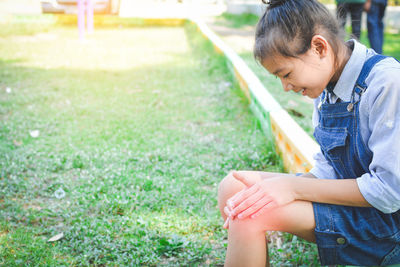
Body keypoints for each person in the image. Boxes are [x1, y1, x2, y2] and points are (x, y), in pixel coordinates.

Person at [217, 0, 400, 265]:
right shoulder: (326, 86)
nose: (285, 87)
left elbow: (389, 192)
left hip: (389, 226)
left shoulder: (387, 83)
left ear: (319, 47)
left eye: (287, 74)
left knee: (250, 214)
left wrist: (293, 187)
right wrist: (281, 188)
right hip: (358, 209)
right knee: (234, 186)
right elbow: (330, 166)